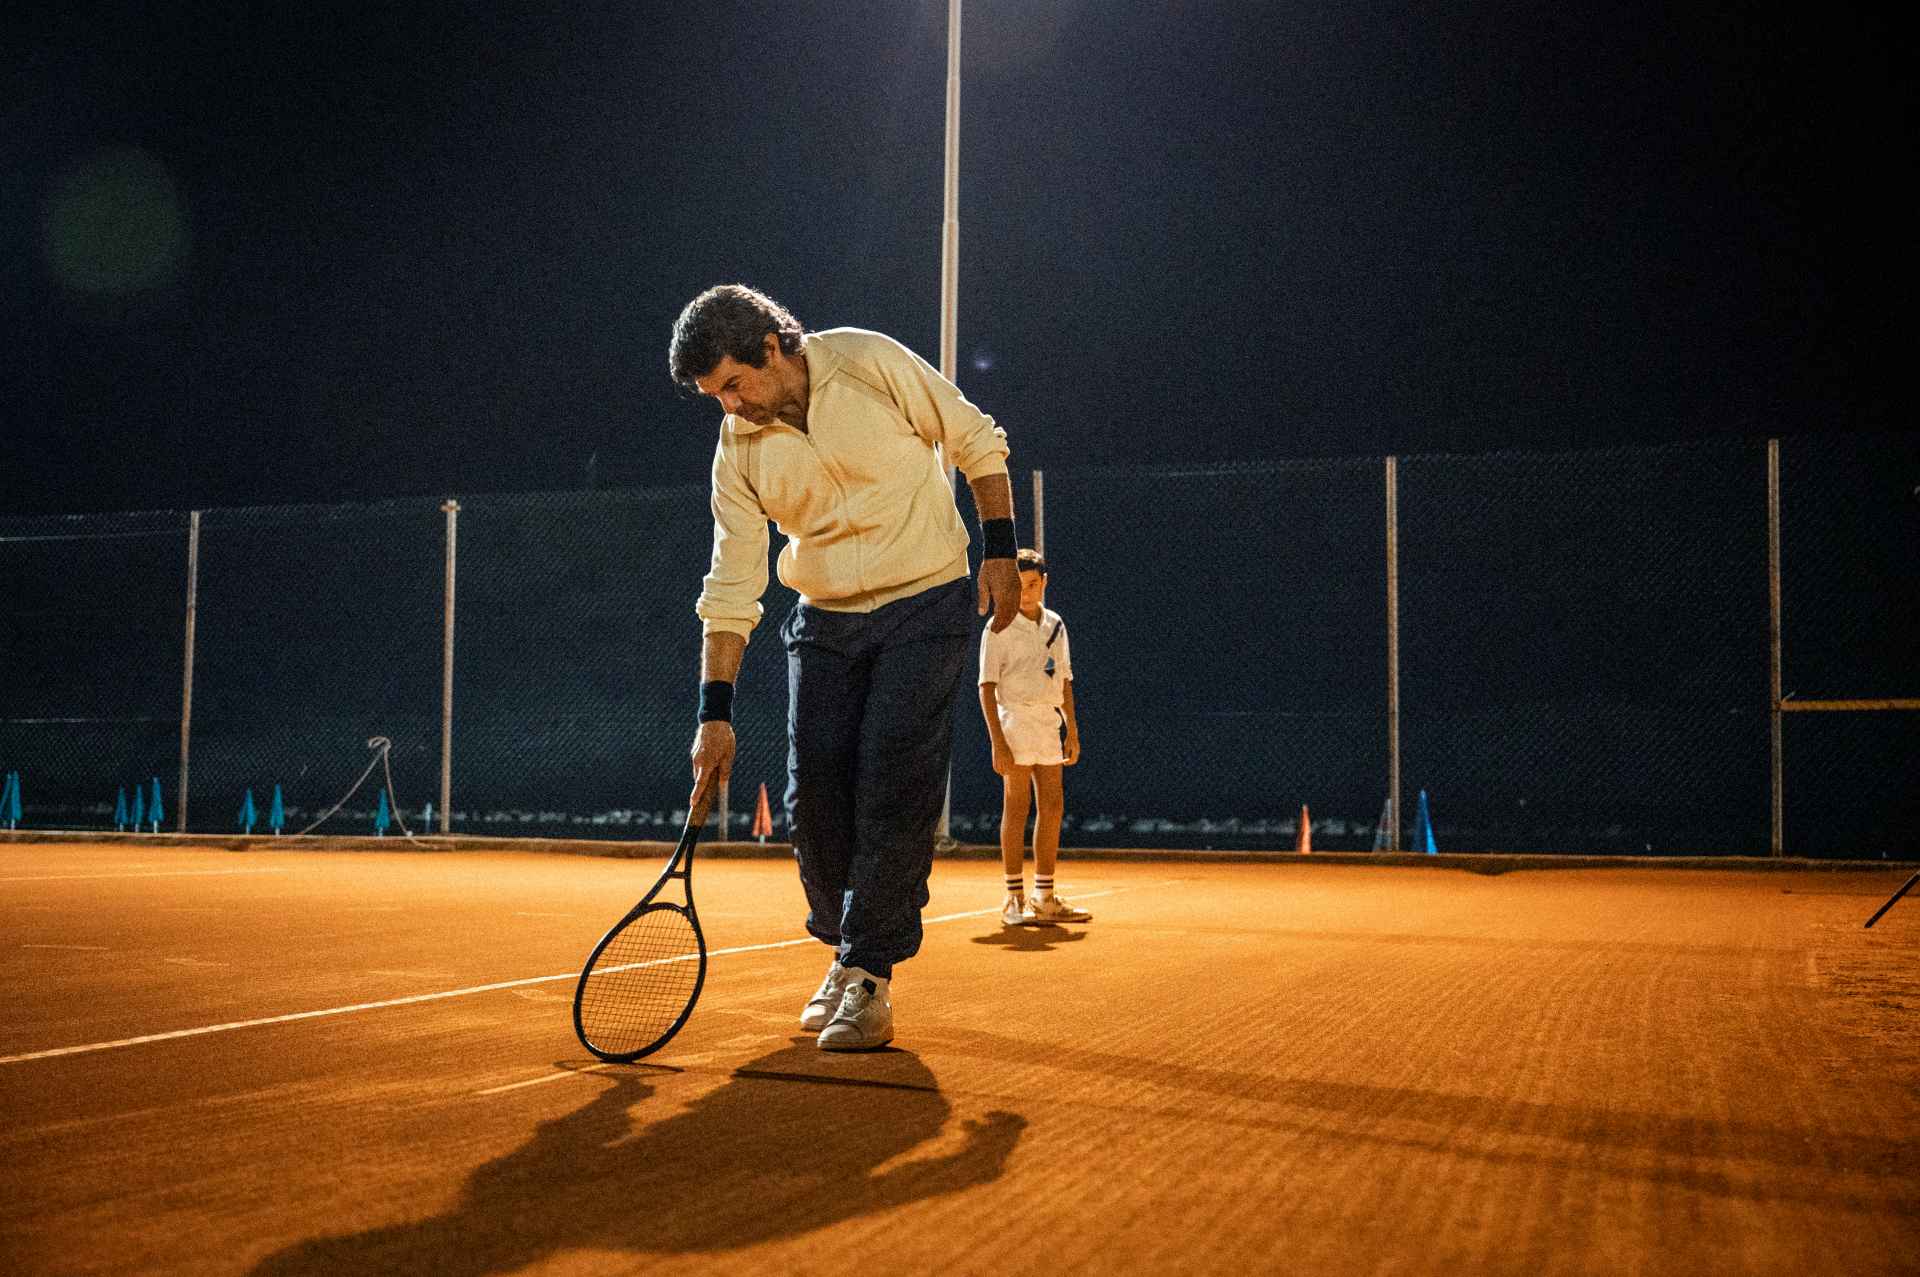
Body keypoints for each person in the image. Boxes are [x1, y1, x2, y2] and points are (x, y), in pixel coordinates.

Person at [670, 284, 1021, 1052]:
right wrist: (713, 714)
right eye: (714, 397)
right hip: (825, 618)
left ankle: (868, 975)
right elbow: (731, 584)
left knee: (894, 784)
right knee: (812, 800)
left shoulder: (866, 359)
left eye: (734, 384)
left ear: (771, 346)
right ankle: (847, 947)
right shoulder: (738, 450)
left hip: (925, 601)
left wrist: (998, 548)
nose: (729, 407)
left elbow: (975, 438)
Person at [978, 549, 1088, 926]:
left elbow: (1066, 678)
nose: (1026, 592)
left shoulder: (1056, 624)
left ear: (1044, 583)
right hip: (1015, 722)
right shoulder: (997, 627)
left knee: (1053, 805)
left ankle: (1044, 895)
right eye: (1019, 585)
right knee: (1017, 806)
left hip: (1048, 723)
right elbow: (986, 687)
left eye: (1033, 584)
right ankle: (1013, 899)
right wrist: (998, 741)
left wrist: (1071, 729)